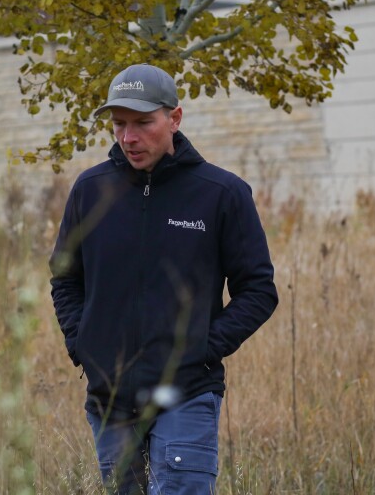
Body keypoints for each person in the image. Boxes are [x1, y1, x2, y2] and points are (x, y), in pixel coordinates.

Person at [49, 64, 278, 494]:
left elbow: (259, 290)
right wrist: (83, 344)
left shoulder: (221, 194)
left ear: (174, 119)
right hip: (110, 399)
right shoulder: (90, 190)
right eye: (119, 125)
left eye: (142, 123)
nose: (129, 137)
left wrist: (202, 348)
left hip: (187, 391)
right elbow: (64, 279)